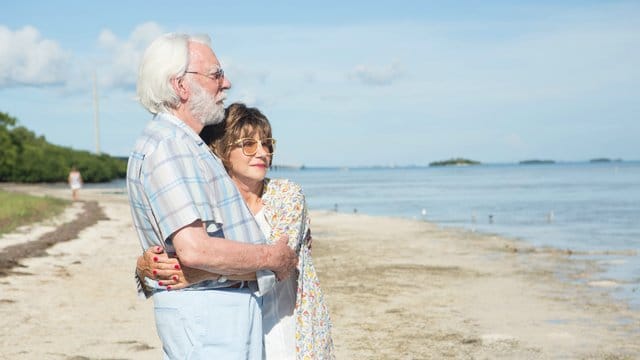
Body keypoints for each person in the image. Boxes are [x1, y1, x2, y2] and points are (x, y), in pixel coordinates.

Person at [127, 33, 297, 359]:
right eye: (216, 74)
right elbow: (194, 249)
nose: (227, 83)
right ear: (180, 85)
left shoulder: (185, 143)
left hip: (215, 310)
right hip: (211, 315)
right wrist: (272, 258)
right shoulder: (170, 145)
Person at [137, 103, 334, 359]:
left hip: (286, 322)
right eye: (249, 144)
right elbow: (180, 255)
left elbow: (277, 264)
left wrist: (197, 274)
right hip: (232, 326)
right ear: (222, 149)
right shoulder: (210, 204)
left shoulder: (287, 195)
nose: (262, 152)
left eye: (267, 144)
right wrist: (144, 265)